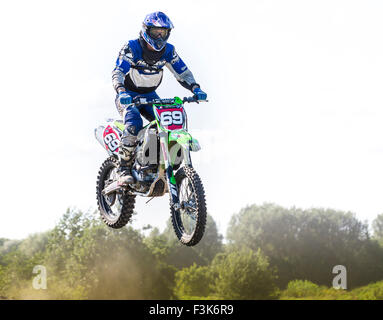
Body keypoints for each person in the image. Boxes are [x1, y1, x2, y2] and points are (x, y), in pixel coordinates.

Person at [112, 11, 207, 184]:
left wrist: (195, 88)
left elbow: (183, 72)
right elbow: (118, 72)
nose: (159, 36)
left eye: (163, 32)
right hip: (128, 95)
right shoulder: (132, 47)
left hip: (150, 95)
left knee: (166, 124)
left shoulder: (168, 51)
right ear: (146, 30)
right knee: (134, 123)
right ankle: (123, 168)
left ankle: (153, 163)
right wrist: (121, 90)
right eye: (156, 31)